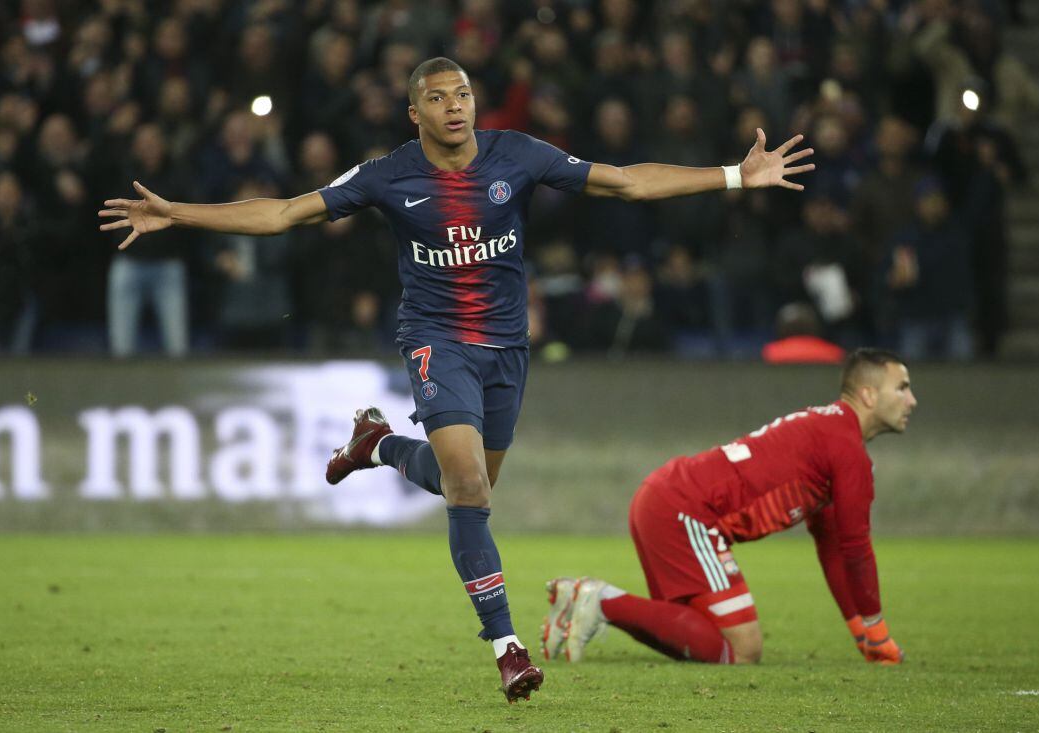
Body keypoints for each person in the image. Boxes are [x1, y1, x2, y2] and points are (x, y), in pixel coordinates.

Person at [98, 57, 815, 702]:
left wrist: (733, 175)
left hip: (509, 349)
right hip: (437, 344)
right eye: (437, 97)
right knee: (469, 489)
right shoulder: (387, 173)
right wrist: (178, 214)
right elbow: (285, 213)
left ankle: (378, 444)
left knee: (465, 483)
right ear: (415, 113)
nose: (454, 106)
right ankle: (507, 648)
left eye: (463, 93)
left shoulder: (519, 155)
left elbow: (624, 183)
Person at [542, 348, 914, 667]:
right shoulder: (846, 449)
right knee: (743, 649)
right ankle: (599, 600)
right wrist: (878, 633)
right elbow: (855, 548)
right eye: (902, 388)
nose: (911, 400)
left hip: (665, 498)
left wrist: (860, 632)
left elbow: (832, 546)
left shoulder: (829, 432)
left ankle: (587, 603)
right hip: (688, 513)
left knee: (700, 634)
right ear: (868, 395)